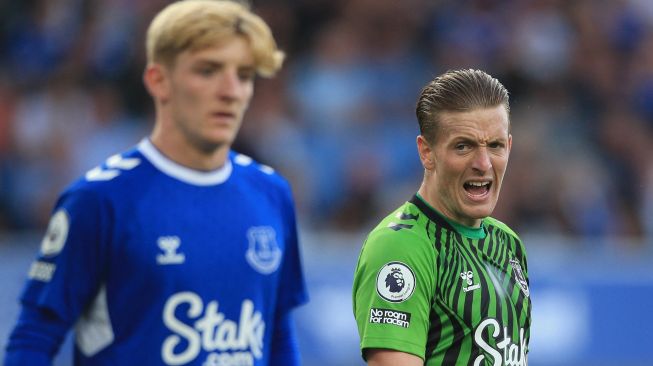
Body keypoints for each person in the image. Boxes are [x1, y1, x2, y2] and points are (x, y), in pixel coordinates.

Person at [4, 1, 308, 365]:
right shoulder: (100, 200)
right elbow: (35, 337)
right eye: (208, 70)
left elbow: (278, 334)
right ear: (158, 80)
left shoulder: (271, 193)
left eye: (244, 75)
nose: (230, 90)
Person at [352, 69, 531, 365]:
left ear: (509, 147)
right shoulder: (401, 247)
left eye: (495, 146)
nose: (483, 163)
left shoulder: (509, 244)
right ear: (427, 153)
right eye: (464, 146)